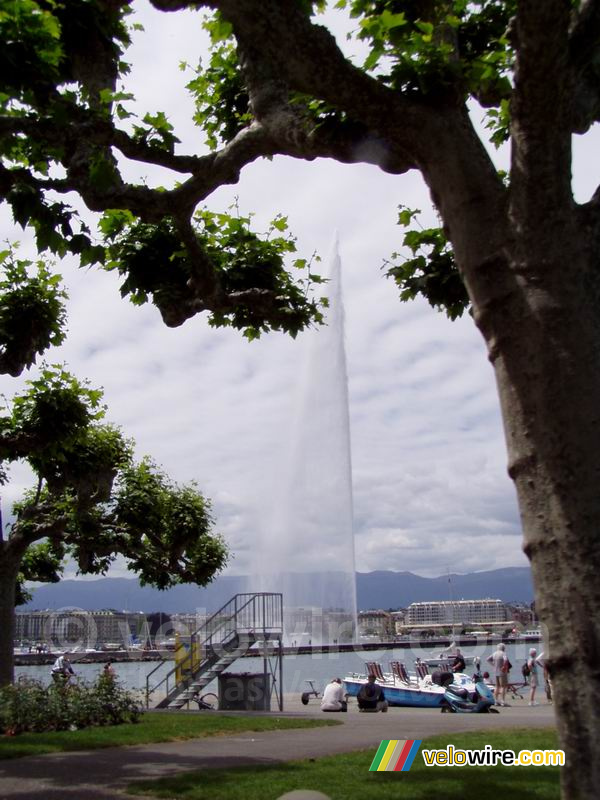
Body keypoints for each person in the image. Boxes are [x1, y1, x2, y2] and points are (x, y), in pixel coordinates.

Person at [486, 642, 510, 706]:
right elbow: (505, 660)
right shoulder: (503, 653)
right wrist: (504, 666)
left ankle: (496, 701)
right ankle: (503, 701)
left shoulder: (494, 653)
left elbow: (488, 659)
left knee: (497, 686)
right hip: (502, 672)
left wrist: (493, 665)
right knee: (503, 686)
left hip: (496, 671)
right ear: (503, 648)